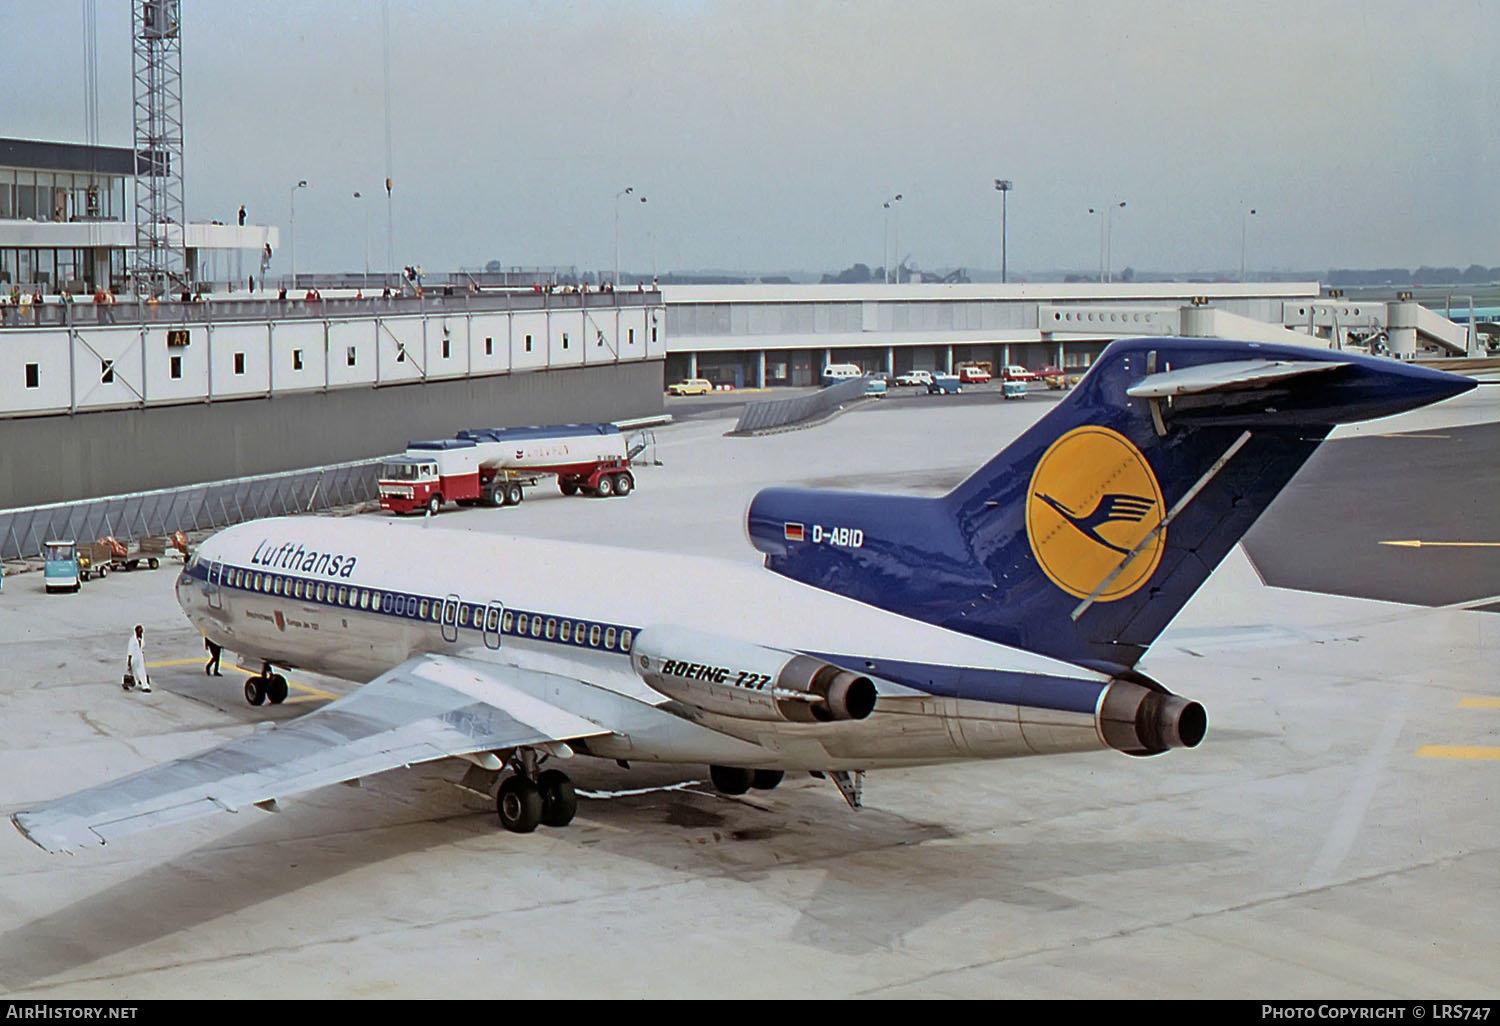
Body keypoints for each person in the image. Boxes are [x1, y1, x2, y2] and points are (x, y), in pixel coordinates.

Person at [124, 625, 152, 692]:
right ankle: (127, 684)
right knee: (131, 672)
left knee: (142, 672)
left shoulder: (141, 639)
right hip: (133, 657)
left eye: (141, 631)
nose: (141, 633)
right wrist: (129, 661)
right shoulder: (132, 640)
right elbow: (130, 650)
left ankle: (145, 686)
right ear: (136, 631)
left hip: (140, 657)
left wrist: (143, 658)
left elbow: (141, 649)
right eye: (140, 631)